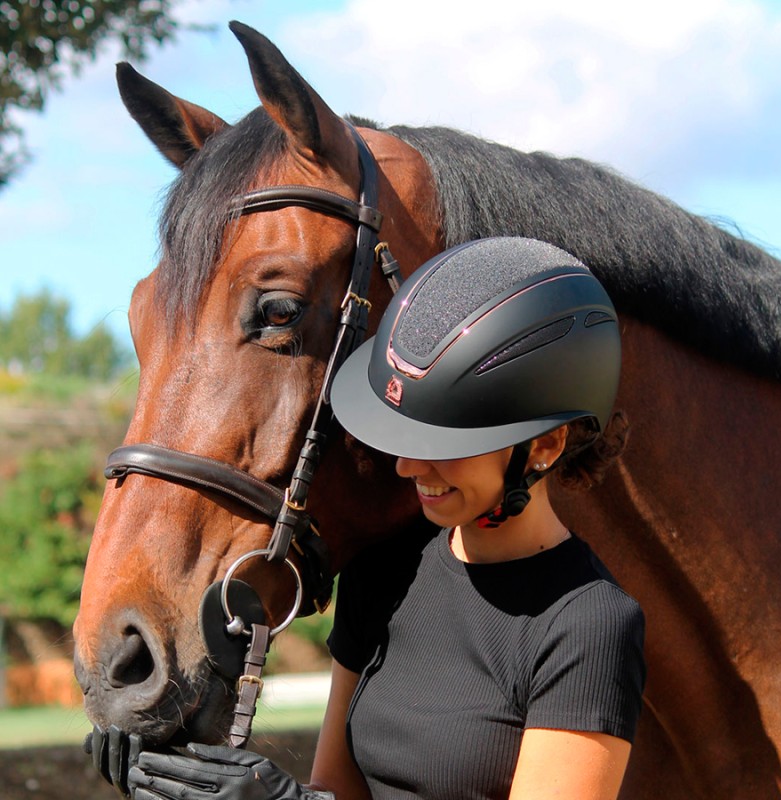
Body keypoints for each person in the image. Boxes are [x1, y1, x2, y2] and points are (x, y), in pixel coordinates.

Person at [122, 236, 646, 800]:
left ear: (543, 446)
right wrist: (170, 771)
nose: (407, 465)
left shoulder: (587, 625)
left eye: (440, 441)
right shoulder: (387, 571)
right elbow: (336, 790)